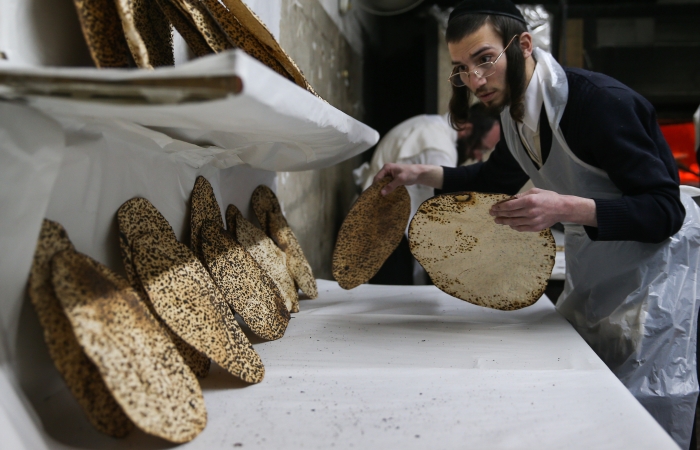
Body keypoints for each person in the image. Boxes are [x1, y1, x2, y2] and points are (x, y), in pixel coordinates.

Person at [373, 0, 700, 447]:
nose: (475, 80)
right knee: (591, 408)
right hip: (598, 272)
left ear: (523, 44)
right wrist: (420, 173)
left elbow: (666, 211)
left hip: (656, 283)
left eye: (485, 59)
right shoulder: (515, 115)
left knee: (642, 422)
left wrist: (565, 208)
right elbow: (493, 179)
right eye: (462, 67)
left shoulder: (598, 105)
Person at [354, 106, 500, 284]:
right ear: (467, 129)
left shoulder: (430, 124)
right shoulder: (439, 148)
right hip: (387, 230)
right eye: (481, 148)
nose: (478, 157)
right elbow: (447, 211)